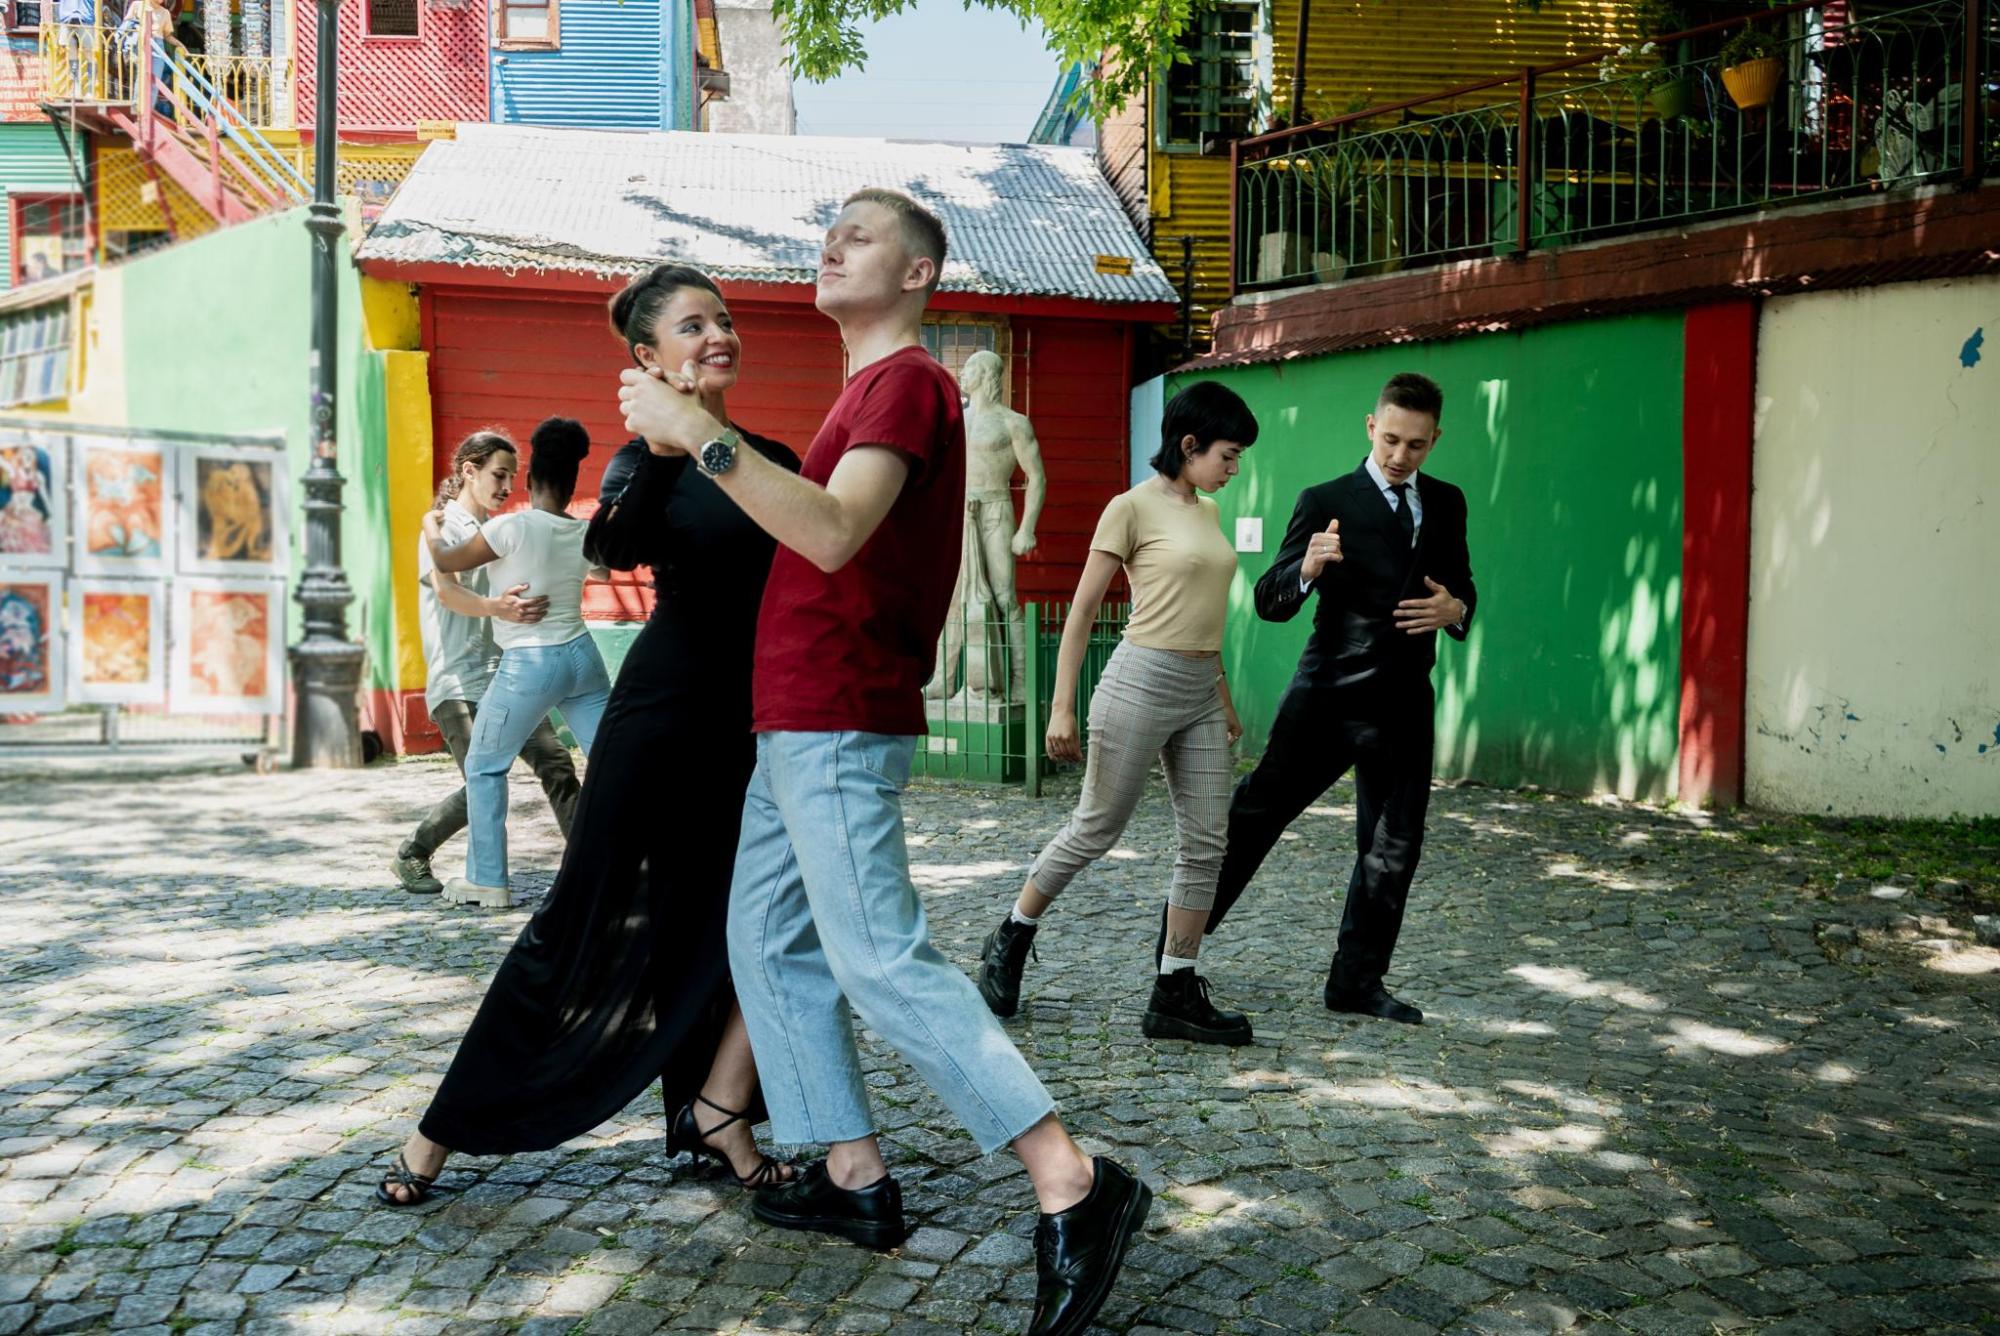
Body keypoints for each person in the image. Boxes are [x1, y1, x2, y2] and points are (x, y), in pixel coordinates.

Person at [620, 188, 1151, 1336]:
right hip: (793, 710)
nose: (830, 244)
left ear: (917, 273)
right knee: (764, 938)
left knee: (875, 956)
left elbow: (828, 531)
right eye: (828, 232)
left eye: (858, 235)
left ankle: (1071, 1179)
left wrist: (692, 430)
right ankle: (854, 1173)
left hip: (837, 708)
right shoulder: (858, 392)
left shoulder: (910, 382)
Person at [376, 264, 800, 1208]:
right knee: (582, 915)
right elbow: (616, 546)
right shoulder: (640, 460)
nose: (717, 334)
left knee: (720, 924)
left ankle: (708, 1120)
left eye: (723, 320)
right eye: (691, 326)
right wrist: (665, 438)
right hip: (659, 718)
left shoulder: (771, 455)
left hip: (746, 726)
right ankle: (439, 1129)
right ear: (649, 357)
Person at [977, 382, 1258, 1046]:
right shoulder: (1128, 508)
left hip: (1200, 689)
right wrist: (1061, 707)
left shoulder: (1211, 513)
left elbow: (1206, 616)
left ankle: (1175, 990)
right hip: (1138, 680)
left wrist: (1222, 698)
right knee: (1096, 825)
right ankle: (1011, 935)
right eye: (1228, 453)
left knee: (1207, 842)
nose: (1234, 466)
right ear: (1188, 445)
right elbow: (1080, 614)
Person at [1201, 371, 1477, 1025]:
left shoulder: (1448, 503)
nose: (1400, 456)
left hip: (1406, 704)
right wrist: (1306, 567)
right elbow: (1270, 599)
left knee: (1393, 849)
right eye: (1389, 440)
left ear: (1435, 440)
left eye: (1415, 444)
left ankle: (1356, 983)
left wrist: (1455, 608)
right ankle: (1177, 952)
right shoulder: (1325, 499)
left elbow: (1463, 585)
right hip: (1325, 700)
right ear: (1369, 428)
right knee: (1253, 821)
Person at [426, 418, 611, 908]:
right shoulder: (584, 532)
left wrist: (430, 527)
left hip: (529, 663)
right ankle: (632, 870)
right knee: (614, 763)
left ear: (529, 481)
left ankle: (487, 879)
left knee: (485, 766)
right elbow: (606, 570)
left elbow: (448, 564)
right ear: (573, 484)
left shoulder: (509, 525)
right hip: (584, 657)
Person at [389, 431, 579, 898]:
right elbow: (450, 593)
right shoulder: (441, 528)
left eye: (513, 477)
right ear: (468, 470)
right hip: (458, 680)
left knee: (557, 765)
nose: (506, 485)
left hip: (509, 675)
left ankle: (587, 866)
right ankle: (413, 851)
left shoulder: (501, 530)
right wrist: (499, 607)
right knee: (483, 783)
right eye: (498, 474)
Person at [927, 347, 1044, 699]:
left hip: (995, 507)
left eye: (971, 368)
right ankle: (944, 679)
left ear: (987, 375)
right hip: (959, 511)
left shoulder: (1013, 422)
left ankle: (1020, 681)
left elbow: (1037, 477)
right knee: (953, 596)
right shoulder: (953, 420)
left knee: (1004, 595)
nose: (964, 373)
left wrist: (1027, 528)